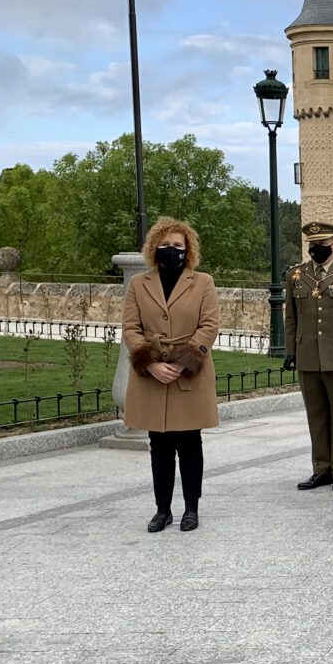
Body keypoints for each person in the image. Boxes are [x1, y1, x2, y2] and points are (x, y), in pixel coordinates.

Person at [121, 216, 221, 534]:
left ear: (187, 248)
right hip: (151, 377)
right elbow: (130, 328)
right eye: (164, 245)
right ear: (153, 248)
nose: (170, 250)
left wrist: (182, 361)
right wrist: (150, 363)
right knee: (159, 446)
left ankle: (191, 508)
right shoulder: (140, 284)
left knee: (190, 443)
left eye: (177, 245)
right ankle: (162, 509)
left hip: (189, 375)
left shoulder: (202, 282)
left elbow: (209, 325)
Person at [283, 221, 333, 493]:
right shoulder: (295, 276)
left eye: (322, 245)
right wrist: (291, 351)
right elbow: (291, 317)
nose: (317, 250)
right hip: (308, 355)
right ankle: (321, 468)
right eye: (313, 246)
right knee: (315, 415)